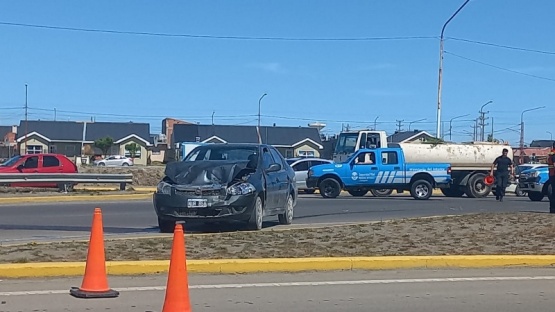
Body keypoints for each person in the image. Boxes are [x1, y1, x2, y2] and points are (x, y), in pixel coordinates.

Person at [547, 142, 555, 213]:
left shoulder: (551, 154)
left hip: (551, 175)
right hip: (554, 175)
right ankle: (553, 209)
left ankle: (552, 209)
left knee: (553, 193)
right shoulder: (554, 155)